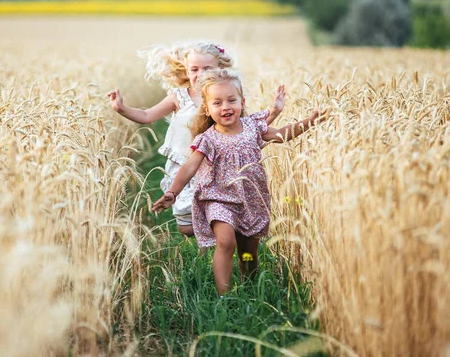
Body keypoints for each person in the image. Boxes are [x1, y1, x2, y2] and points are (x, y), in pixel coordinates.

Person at [151, 69, 325, 295]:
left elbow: (281, 134)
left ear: (242, 103)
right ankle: (224, 295)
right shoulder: (208, 138)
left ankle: (250, 285)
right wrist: (173, 192)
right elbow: (189, 167)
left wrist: (308, 123)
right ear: (207, 108)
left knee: (248, 252)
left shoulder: (253, 127)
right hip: (218, 198)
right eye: (217, 103)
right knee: (225, 241)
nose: (225, 107)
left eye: (232, 100)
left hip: (250, 198)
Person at [107, 41, 285, 237]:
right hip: (183, 164)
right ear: (186, 71)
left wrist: (274, 112)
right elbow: (147, 116)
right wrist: (121, 108)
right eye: (194, 69)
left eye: (207, 69)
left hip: (215, 166)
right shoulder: (178, 97)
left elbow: (249, 127)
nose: (200, 74)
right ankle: (216, 229)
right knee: (186, 227)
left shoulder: (225, 98)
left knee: (218, 213)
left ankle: (222, 232)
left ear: (220, 70)